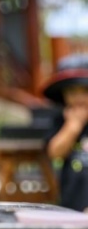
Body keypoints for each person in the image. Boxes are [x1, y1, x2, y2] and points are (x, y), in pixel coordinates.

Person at [42, 53, 88, 212]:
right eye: (72, 92)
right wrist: (73, 126)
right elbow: (55, 153)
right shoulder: (61, 120)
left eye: (85, 91)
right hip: (72, 204)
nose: (79, 98)